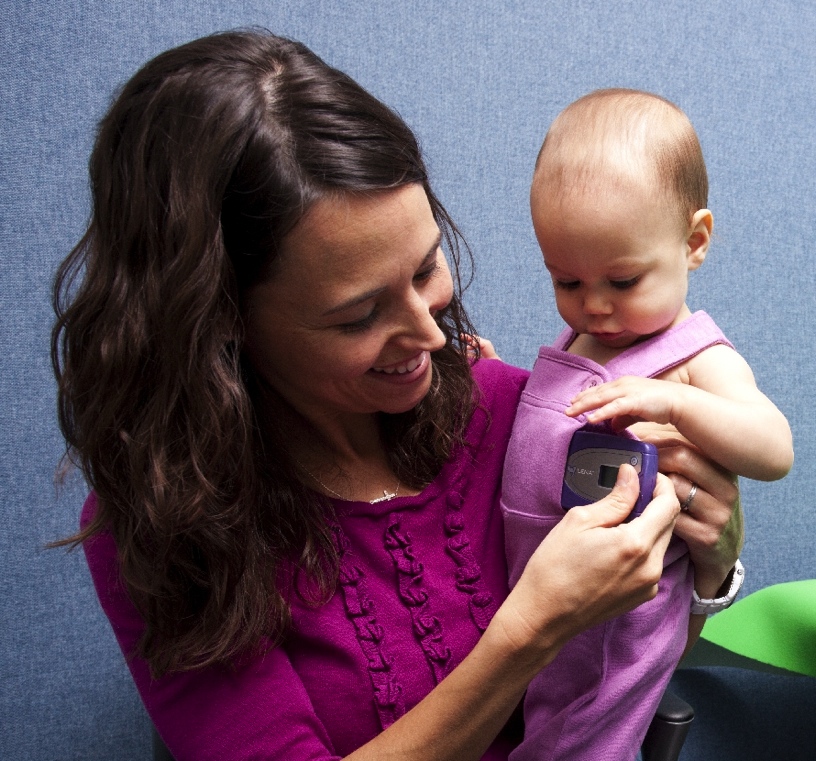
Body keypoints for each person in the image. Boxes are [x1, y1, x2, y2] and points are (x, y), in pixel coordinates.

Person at [51, 35, 743, 761]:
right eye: (359, 315)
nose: (430, 333)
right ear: (221, 316)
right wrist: (530, 628)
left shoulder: (518, 413)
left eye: (425, 268)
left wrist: (713, 561)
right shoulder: (167, 530)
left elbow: (628, 653)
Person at [501, 89, 792, 760]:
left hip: (619, 628)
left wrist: (676, 405)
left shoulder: (694, 357)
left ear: (693, 243)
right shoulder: (579, 338)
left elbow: (775, 448)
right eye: (567, 281)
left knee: (580, 743)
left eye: (622, 281)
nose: (594, 306)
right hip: (537, 595)